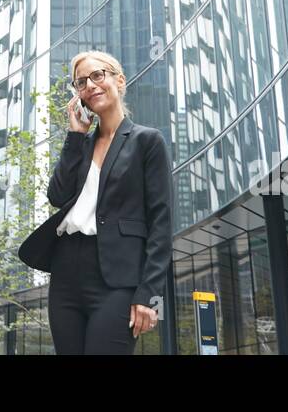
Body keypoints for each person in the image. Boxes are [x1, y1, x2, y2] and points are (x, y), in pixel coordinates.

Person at [18, 50, 173, 354]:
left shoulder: (147, 141)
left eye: (97, 75)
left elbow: (161, 223)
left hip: (117, 277)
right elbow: (57, 196)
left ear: (119, 80)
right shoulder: (82, 144)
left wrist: (149, 294)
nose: (90, 85)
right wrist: (75, 135)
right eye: (81, 82)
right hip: (66, 273)